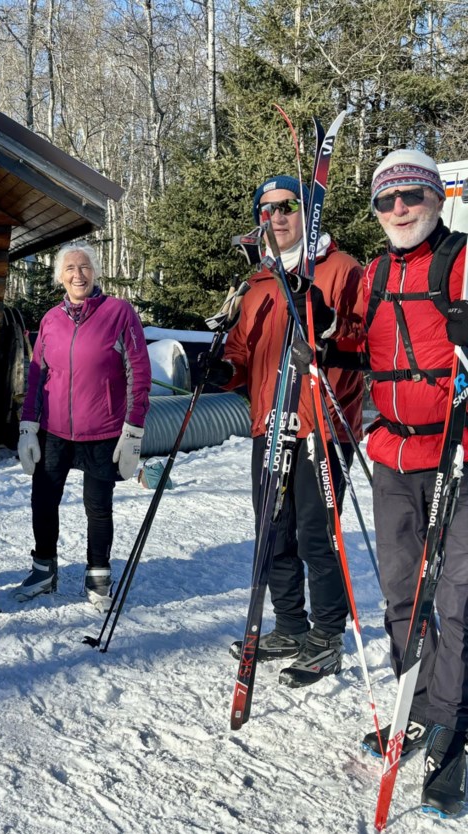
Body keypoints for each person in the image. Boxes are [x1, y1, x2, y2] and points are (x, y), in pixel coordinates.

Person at [207, 174, 365, 687]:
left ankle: (326, 638)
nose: (276, 216)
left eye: (288, 205)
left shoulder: (342, 270)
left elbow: (369, 340)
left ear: (308, 212)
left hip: (322, 424)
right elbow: (242, 351)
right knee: (272, 532)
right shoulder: (258, 282)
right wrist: (221, 368)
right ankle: (291, 625)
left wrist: (332, 326)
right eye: (266, 208)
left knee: (318, 536)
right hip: (270, 423)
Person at [350, 149, 467, 816]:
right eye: (387, 200)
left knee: (458, 592)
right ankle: (416, 703)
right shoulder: (371, 275)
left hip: (460, 452)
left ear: (435, 198)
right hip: (395, 456)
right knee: (403, 589)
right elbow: (356, 345)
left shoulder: (462, 259)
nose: (399, 209)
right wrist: (323, 349)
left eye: (411, 196)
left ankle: (455, 722)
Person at [14, 243, 151, 611]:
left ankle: (98, 574)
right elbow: (37, 375)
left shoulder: (119, 313)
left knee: (98, 507)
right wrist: (29, 425)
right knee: (43, 501)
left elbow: (139, 372)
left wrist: (133, 430)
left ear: (95, 272)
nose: (78, 274)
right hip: (54, 431)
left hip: (103, 431)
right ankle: (43, 569)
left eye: (85, 267)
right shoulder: (50, 320)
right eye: (71, 268)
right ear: (61, 275)